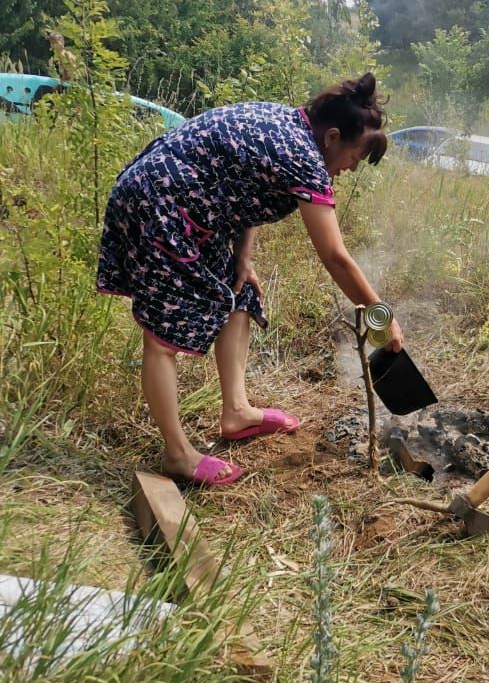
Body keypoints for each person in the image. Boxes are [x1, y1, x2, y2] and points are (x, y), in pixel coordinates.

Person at [97, 72, 402, 486]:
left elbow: (245, 184)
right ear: (332, 137)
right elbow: (334, 256)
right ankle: (177, 454)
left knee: (241, 292)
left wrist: (243, 255)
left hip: (191, 211)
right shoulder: (303, 157)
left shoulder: (289, 123)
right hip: (156, 205)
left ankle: (236, 413)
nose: (351, 168)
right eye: (354, 156)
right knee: (161, 333)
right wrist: (380, 317)